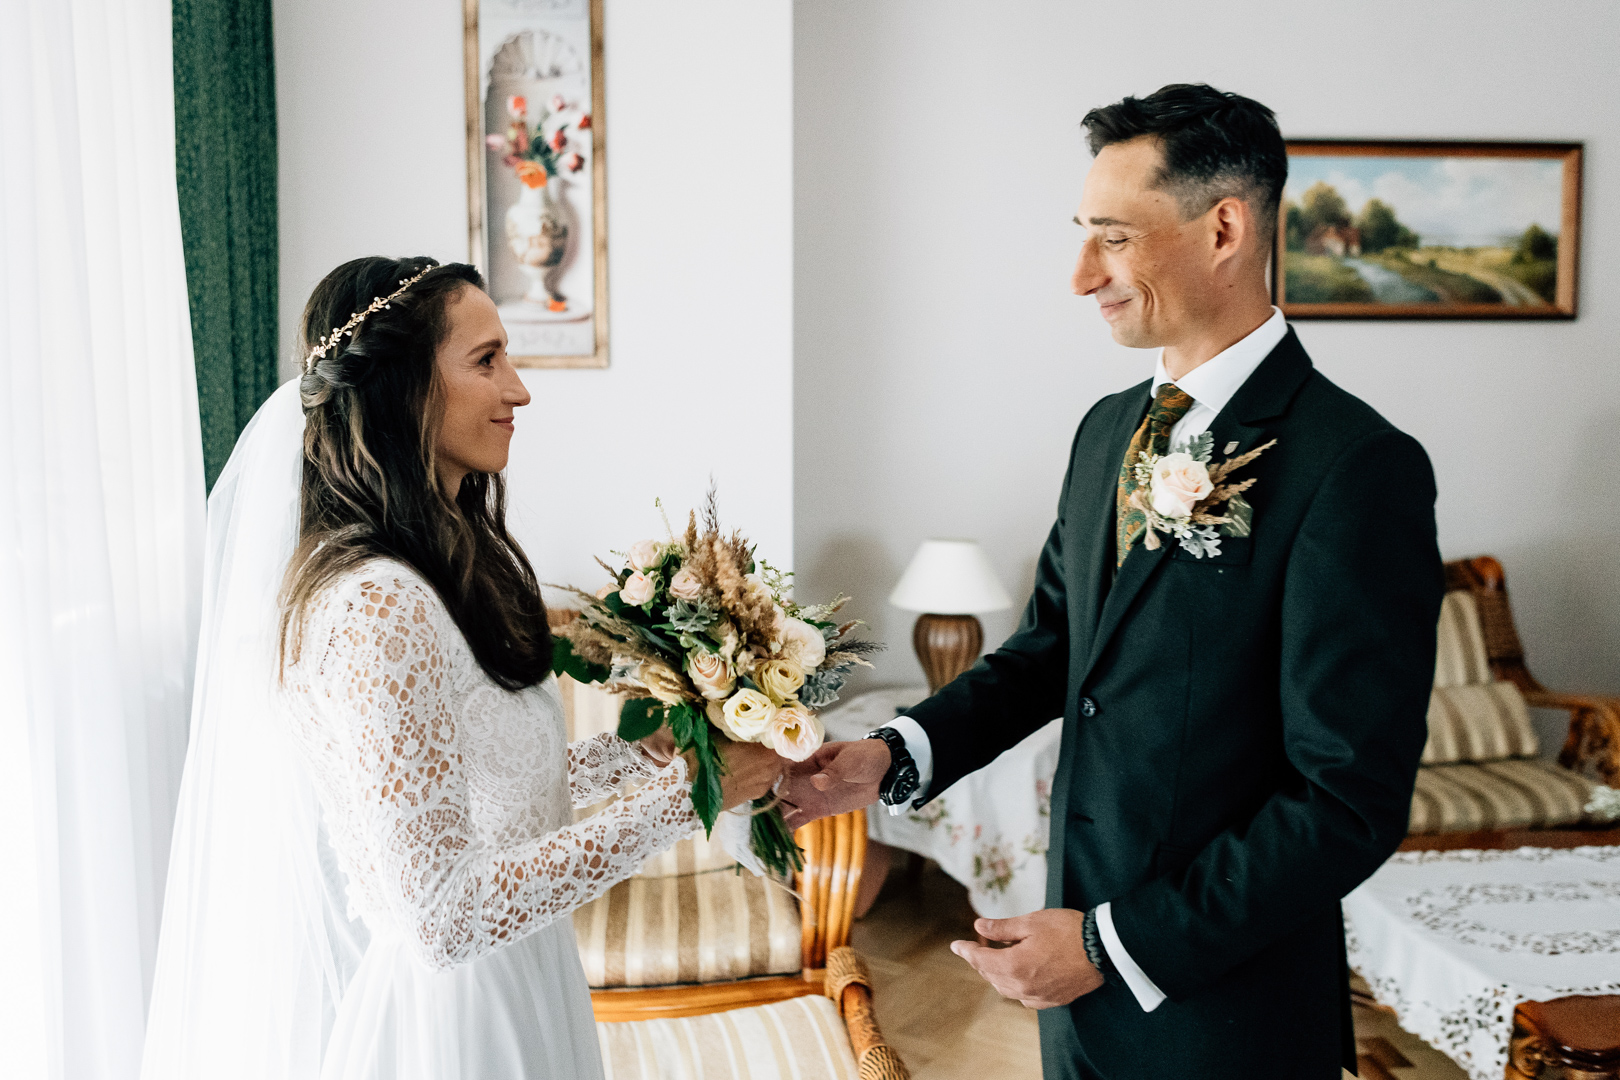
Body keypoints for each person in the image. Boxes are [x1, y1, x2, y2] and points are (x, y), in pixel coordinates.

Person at [780, 85, 1444, 1079]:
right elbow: (1053, 650)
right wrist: (892, 754)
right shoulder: (1105, 432)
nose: (1082, 275)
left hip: (1225, 1012)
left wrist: (1111, 945)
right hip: (1076, 996)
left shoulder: (1356, 468)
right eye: (1083, 236)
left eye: (1115, 239)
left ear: (1225, 229)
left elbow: (1346, 802)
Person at [141, 257, 782, 1080]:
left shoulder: (435, 570)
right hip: (457, 1023)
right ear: (404, 387)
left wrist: (637, 755)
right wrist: (687, 798)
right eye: (487, 360)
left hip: (523, 973)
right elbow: (442, 918)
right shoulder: (376, 607)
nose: (519, 390)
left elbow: (486, 790)